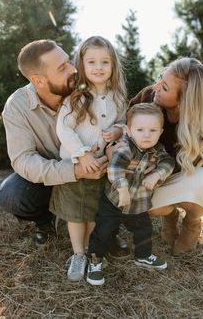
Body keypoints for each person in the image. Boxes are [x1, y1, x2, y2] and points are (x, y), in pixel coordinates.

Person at [0, 39, 108, 245]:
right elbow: (23, 160)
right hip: (52, 176)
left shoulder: (88, 88)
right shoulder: (16, 106)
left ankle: (106, 226)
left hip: (96, 168)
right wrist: (74, 171)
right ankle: (45, 221)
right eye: (62, 68)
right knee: (11, 195)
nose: (74, 69)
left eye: (68, 62)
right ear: (38, 81)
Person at [49, 36, 127, 282]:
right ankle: (78, 253)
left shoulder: (117, 97)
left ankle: (91, 249)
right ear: (81, 65)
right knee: (75, 212)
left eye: (105, 62)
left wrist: (118, 130)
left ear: (113, 65)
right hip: (77, 166)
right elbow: (64, 129)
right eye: (91, 61)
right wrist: (81, 154)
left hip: (102, 168)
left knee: (94, 212)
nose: (98, 67)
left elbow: (124, 123)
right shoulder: (76, 97)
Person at [129, 57, 203, 254]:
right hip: (151, 174)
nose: (155, 87)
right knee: (148, 206)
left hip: (187, 176)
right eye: (160, 79)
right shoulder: (148, 97)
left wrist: (161, 171)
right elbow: (127, 125)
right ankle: (169, 215)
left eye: (164, 88)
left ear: (183, 100)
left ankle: (192, 221)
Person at [86, 103, 175, 286]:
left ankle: (143, 256)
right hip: (114, 202)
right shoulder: (124, 148)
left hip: (138, 203)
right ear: (128, 130)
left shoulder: (157, 149)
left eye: (153, 130)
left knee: (144, 230)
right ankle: (95, 261)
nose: (146, 135)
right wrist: (122, 189)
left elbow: (168, 162)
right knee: (103, 231)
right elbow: (114, 169)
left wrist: (158, 174)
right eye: (140, 129)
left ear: (161, 131)